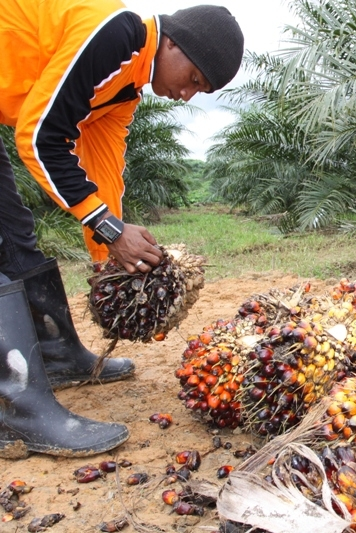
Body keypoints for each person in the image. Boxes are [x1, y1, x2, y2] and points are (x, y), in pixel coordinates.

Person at [0, 0, 244, 458]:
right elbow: (39, 136)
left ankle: (58, 359)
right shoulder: (114, 34)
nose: (187, 95)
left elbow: (102, 169)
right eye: (193, 79)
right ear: (173, 43)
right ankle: (18, 410)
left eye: (201, 92)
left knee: (14, 241)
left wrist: (107, 258)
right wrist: (110, 229)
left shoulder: (123, 91)